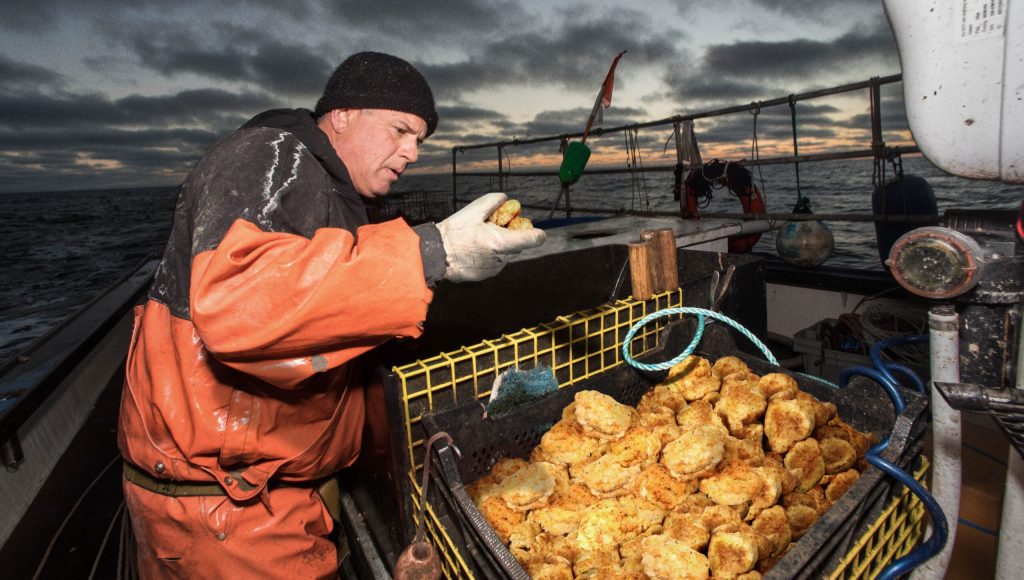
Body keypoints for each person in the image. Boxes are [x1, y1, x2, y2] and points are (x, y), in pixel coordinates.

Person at [118, 51, 545, 578]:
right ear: (342, 115)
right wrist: (434, 251)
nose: (411, 152)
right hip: (227, 512)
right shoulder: (269, 156)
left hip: (276, 493)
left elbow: (318, 310)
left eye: (419, 141)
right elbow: (238, 303)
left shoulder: (333, 191)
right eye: (399, 130)